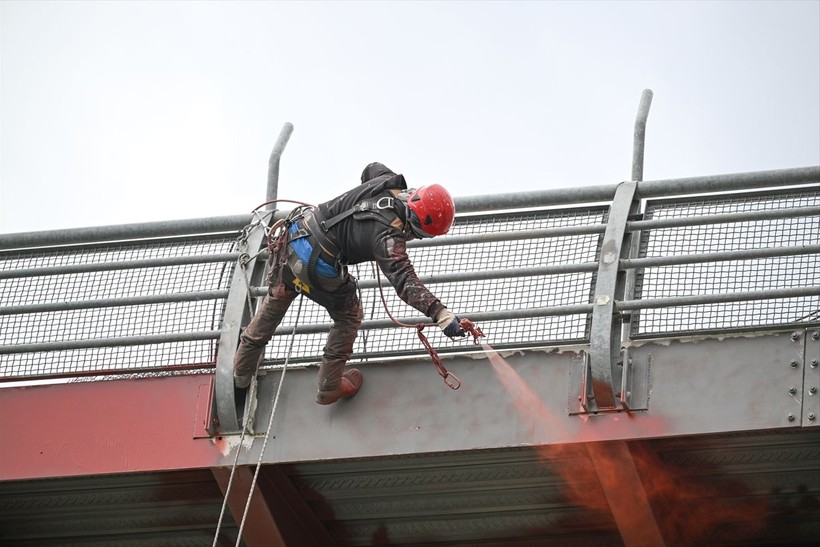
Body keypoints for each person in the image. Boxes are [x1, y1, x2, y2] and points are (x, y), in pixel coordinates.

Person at [233, 162, 470, 404]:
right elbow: (404, 280)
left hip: (293, 240)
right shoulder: (388, 235)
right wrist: (441, 314)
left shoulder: (387, 181)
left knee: (277, 299)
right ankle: (329, 387)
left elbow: (371, 167)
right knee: (349, 316)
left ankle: (240, 373)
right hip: (320, 267)